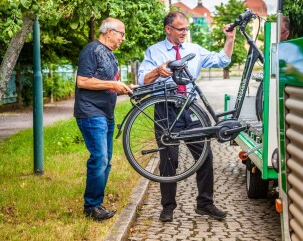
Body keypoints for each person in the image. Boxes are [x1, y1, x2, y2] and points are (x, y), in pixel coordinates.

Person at [138, 11, 236, 222]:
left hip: (189, 108)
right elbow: (142, 79)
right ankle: (168, 207)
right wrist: (157, 71)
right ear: (168, 29)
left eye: (186, 29)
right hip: (165, 109)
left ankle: (205, 204)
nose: (184, 33)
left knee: (204, 155)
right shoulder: (154, 51)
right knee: (168, 160)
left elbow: (222, 60)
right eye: (180, 29)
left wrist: (230, 39)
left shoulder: (194, 50)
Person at [74, 17, 132, 221]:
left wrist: (122, 88)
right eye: (121, 34)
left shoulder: (110, 55)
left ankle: (96, 203)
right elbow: (82, 81)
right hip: (91, 113)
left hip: (106, 114)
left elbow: (107, 85)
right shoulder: (92, 50)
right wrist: (113, 84)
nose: (123, 39)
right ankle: (91, 207)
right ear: (109, 32)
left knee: (106, 161)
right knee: (99, 159)